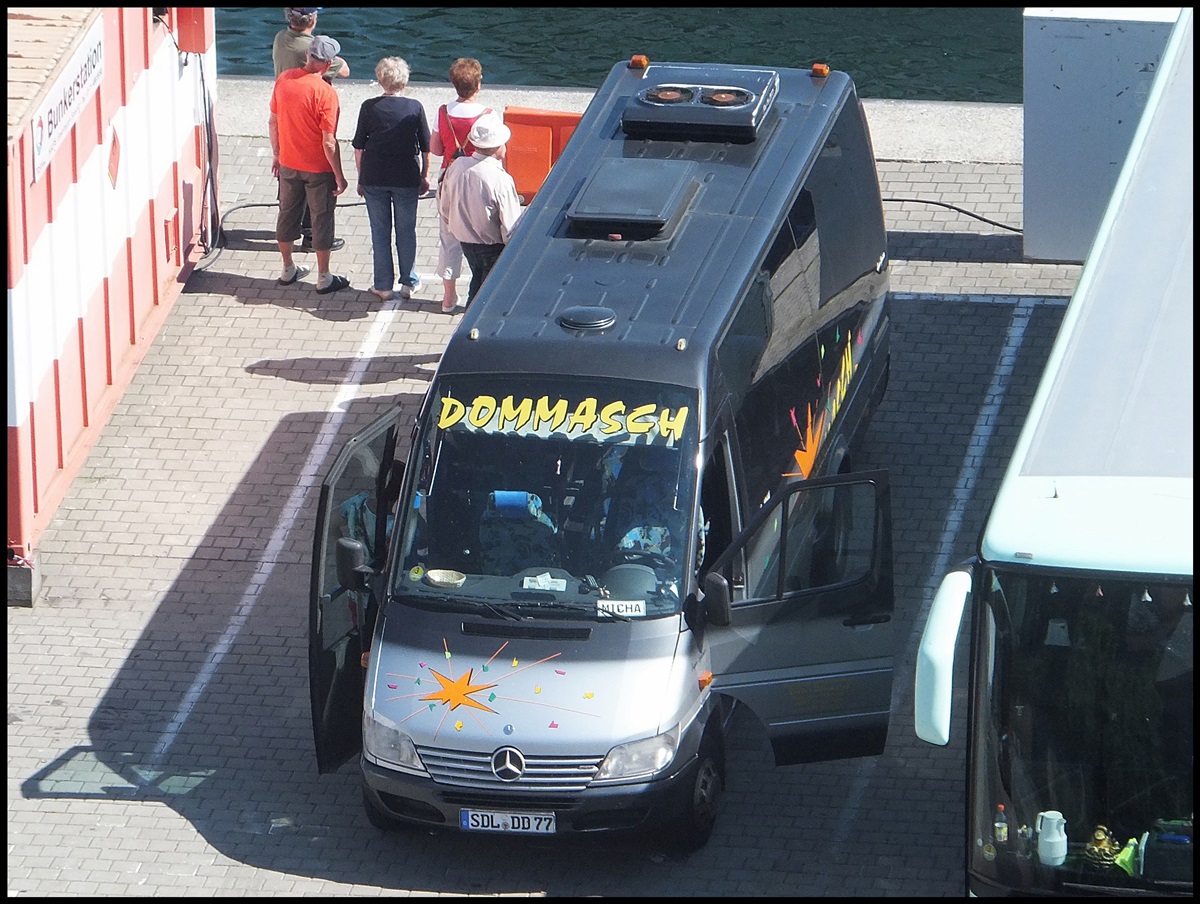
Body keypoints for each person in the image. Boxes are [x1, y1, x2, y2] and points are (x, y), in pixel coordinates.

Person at [268, 34, 350, 295]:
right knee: (321, 219)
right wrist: (340, 175)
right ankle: (324, 277)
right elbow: (329, 142)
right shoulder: (326, 93)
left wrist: (276, 154)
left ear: (308, 56)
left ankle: (287, 268)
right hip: (318, 169)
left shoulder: (284, 80)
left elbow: (272, 121)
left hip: (288, 163)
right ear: (328, 63)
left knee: (287, 214)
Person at [352, 57, 431, 302]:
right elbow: (426, 147)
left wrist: (361, 176)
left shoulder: (368, 107)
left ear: (379, 80)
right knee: (406, 230)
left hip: (374, 175)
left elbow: (359, 147)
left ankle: (383, 285)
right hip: (406, 176)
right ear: (404, 82)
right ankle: (409, 281)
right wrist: (425, 175)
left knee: (380, 231)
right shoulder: (414, 107)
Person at [438, 113, 524, 308]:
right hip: (492, 246)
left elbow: (445, 205)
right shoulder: (500, 179)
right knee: (486, 299)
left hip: (466, 243)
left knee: (477, 281)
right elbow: (511, 226)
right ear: (497, 147)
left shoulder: (457, 166)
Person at [430, 58, 491, 313]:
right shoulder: (488, 114)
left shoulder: (443, 112)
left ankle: (447, 297)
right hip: (477, 178)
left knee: (448, 239)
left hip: (449, 179)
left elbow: (434, 149)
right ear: (478, 85)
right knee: (483, 238)